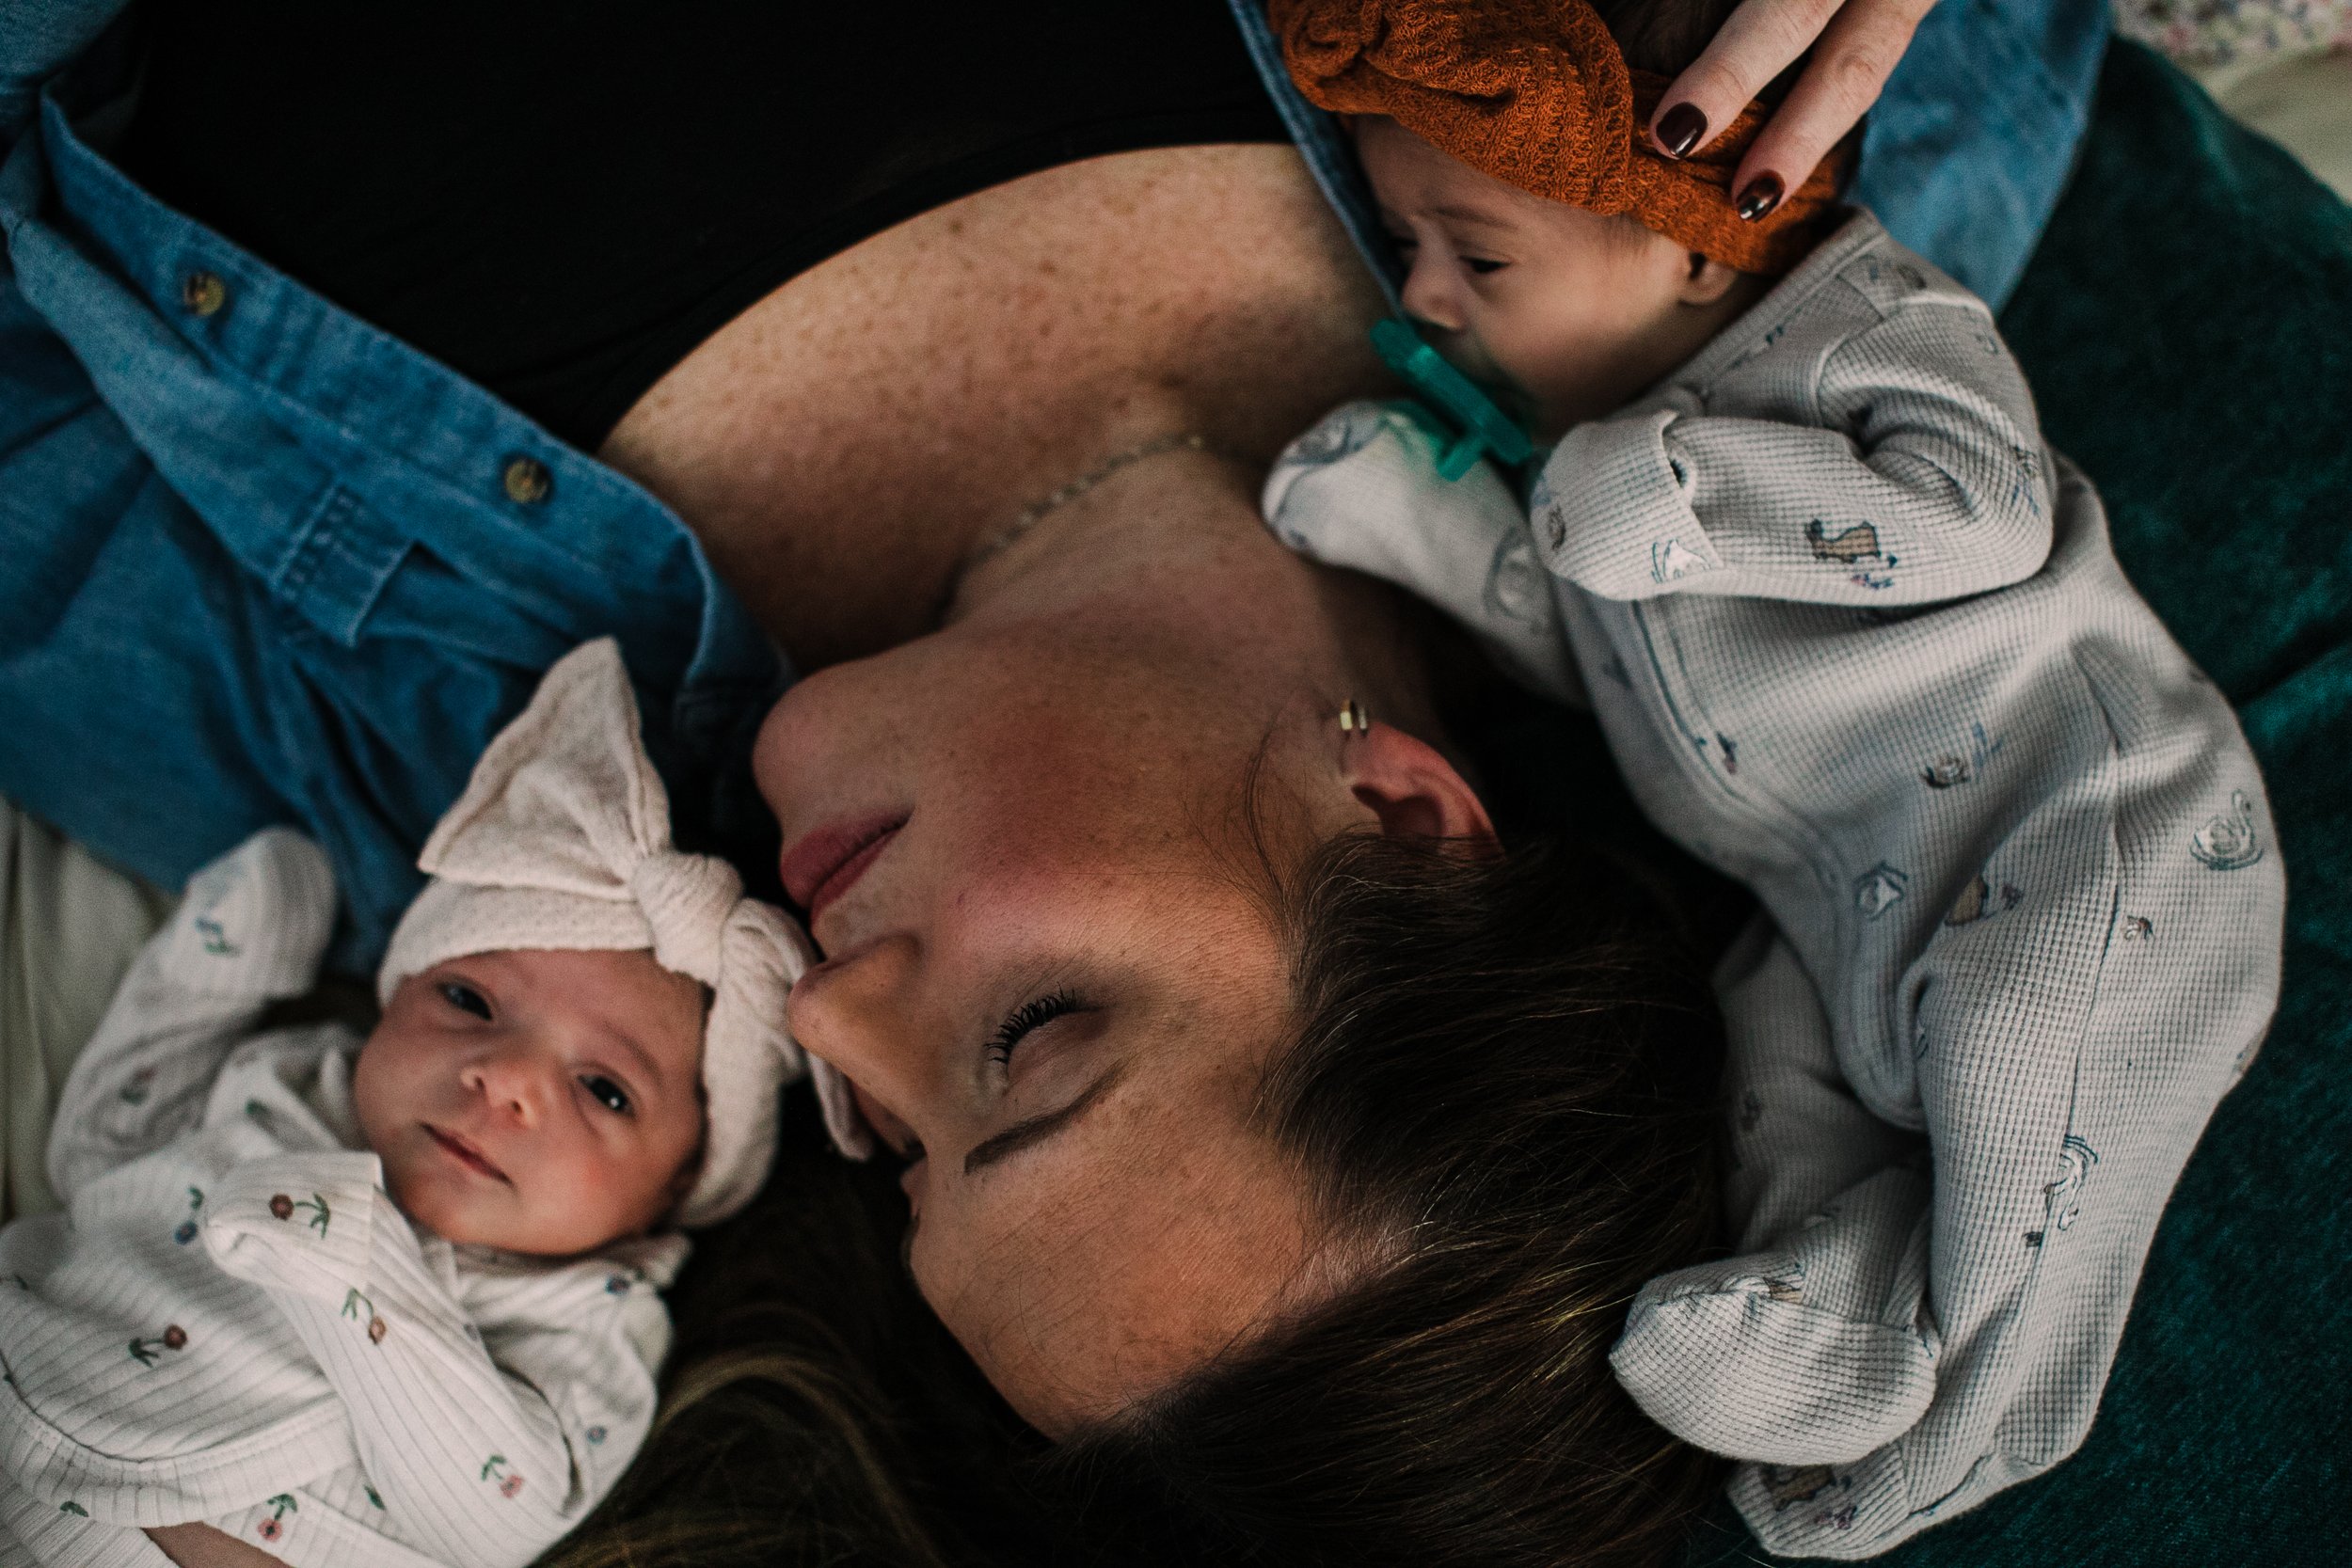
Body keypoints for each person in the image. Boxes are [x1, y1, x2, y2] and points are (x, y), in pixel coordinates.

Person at [0, 3, 2108, 1563]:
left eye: (902, 1149)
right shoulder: (1781, 309)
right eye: (1032, 1035)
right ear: (1403, 826)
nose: (823, 1011)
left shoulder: (457, 839)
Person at [1259, 0, 2284, 1554]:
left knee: (2033, 1106)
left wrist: (1678, 500)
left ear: (1686, 244)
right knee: (1765, 1047)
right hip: (1830, 909)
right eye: (1410, 241)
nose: (1424, 297)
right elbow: (1610, 654)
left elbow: (1986, 512)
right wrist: (1434, 527)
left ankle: (1983, 1398)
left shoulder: (1857, 332)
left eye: (1478, 253)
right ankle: (1830, 1289)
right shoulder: (1623, 452)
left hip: (2093, 844)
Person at [0, 641, 815, 1568]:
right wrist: (223, 955)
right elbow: (105, 1154)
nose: (505, 1077)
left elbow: (495, 1514)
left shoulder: (593, 1314)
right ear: (392, 998)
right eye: (468, 1000)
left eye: (605, 1088)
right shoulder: (286, 1084)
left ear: (674, 1188)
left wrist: (357, 1272)